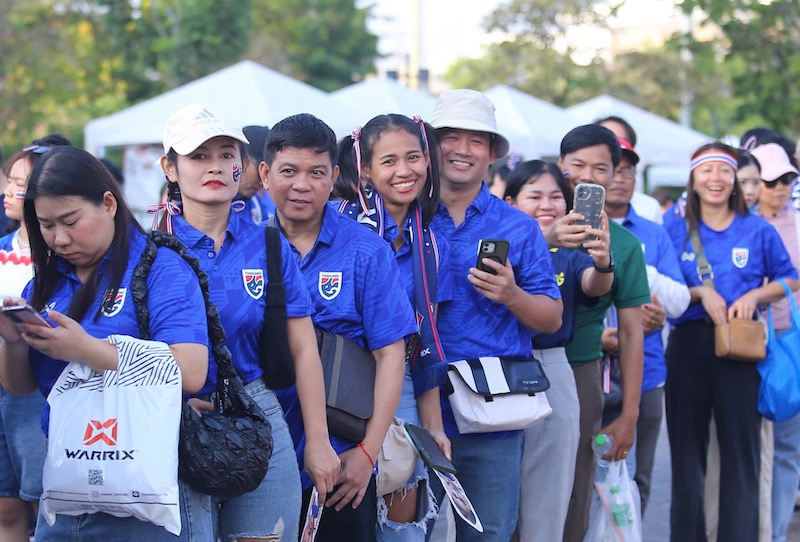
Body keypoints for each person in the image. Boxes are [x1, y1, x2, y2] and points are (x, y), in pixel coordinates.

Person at [0, 146, 213, 541]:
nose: (60, 238)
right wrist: (13, 343)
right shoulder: (44, 282)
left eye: (71, 220)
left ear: (109, 203)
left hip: (148, 490)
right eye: (46, 226)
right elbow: (21, 386)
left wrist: (86, 350)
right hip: (66, 486)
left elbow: (191, 370)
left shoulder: (160, 267)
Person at [158, 103, 339, 542]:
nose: (215, 167)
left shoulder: (268, 244)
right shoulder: (152, 250)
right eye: (198, 157)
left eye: (226, 154)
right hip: (175, 421)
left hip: (259, 416)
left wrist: (318, 440)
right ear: (170, 167)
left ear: (242, 165)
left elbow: (303, 350)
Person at [260, 113, 417, 542]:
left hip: (343, 457)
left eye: (316, 173)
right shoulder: (248, 250)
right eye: (288, 171)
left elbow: (391, 356)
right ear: (265, 174)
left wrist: (367, 453)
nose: (301, 185)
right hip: (261, 454)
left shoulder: (366, 251)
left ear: (334, 176)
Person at [427, 89, 563, 541]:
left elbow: (551, 318)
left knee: (489, 534)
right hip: (413, 409)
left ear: (491, 155)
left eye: (477, 140)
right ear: (430, 144)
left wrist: (512, 295)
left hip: (493, 414)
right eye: (452, 137)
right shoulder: (404, 217)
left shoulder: (518, 226)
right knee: (408, 534)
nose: (463, 150)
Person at [664, 142, 798, 542]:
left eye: (724, 171)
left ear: (735, 180)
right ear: (693, 179)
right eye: (706, 171)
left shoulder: (756, 228)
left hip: (741, 347)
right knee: (687, 459)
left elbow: (790, 277)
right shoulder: (674, 229)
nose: (716, 180)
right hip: (687, 344)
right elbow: (659, 285)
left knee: (742, 458)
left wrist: (755, 296)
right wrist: (699, 294)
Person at [335, 113, 450, 540]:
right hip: (336, 384)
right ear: (364, 168)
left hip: (399, 385)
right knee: (341, 510)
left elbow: (427, 340)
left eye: (414, 157)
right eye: (388, 161)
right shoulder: (337, 224)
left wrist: (433, 426)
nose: (404, 171)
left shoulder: (431, 242)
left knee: (403, 520)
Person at [502, 159, 613, 541]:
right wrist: (544, 238)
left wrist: (604, 262)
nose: (547, 205)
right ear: (511, 201)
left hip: (551, 367)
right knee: (495, 495)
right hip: (496, 369)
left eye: (555, 197)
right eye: (535, 196)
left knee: (548, 498)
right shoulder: (497, 240)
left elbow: (593, 285)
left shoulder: (570, 250)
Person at [553, 124, 650, 542]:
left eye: (601, 167)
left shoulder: (625, 245)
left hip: (581, 375)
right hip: (517, 368)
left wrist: (629, 415)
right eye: (577, 165)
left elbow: (631, 333)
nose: (587, 176)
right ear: (560, 166)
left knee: (576, 487)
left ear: (615, 175)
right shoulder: (530, 226)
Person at [601, 138, 690, 514]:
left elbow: (678, 301)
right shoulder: (567, 226)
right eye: (614, 170)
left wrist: (636, 265)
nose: (621, 179)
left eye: (628, 172)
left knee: (637, 479)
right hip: (588, 369)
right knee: (579, 478)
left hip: (646, 370)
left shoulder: (653, 234)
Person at [0, 146, 51, 542]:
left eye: (20, 185)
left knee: (43, 500)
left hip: (35, 387)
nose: (9, 192)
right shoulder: (2, 248)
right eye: (10, 182)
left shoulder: (59, 254)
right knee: (5, 503)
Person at [750, 142, 800, 542]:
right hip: (746, 340)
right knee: (749, 445)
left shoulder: (798, 222)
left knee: (786, 445)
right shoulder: (741, 223)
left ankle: (777, 533)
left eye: (787, 179)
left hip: (790, 342)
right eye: (772, 181)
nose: (780, 187)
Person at [595, 116, 662, 224]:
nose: (618, 179)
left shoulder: (649, 209)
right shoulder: (569, 206)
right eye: (607, 139)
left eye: (626, 171)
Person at [239, 125, 276, 224]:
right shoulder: (206, 202)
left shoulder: (258, 206)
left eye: (269, 174)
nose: (262, 181)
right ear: (243, 160)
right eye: (260, 172)